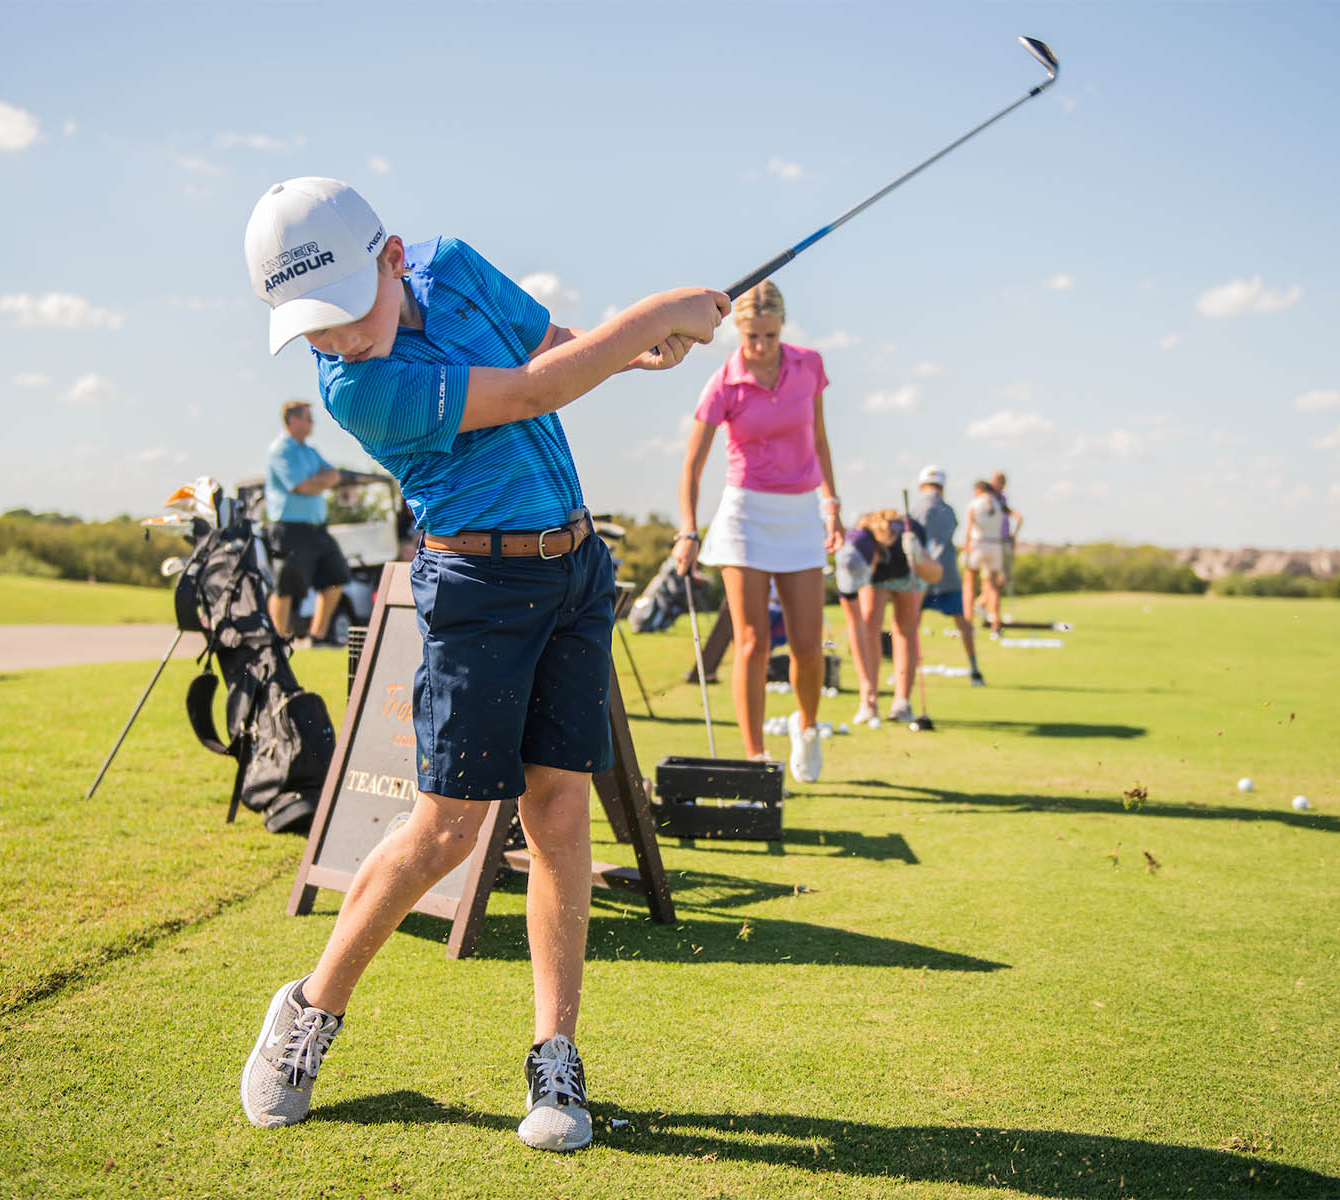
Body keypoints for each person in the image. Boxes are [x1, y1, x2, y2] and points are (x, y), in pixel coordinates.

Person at [235, 176, 728, 1153]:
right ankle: (309, 1009)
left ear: (393, 258)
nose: (336, 341)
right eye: (313, 327)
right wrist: (654, 314)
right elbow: (536, 392)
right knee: (447, 830)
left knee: (560, 815)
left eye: (344, 312)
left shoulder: (453, 266)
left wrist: (641, 350)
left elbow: (553, 351)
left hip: (577, 571)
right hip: (478, 589)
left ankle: (556, 1056)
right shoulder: (359, 389)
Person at [673, 281, 841, 783]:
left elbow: (820, 438)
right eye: (752, 336)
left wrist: (832, 504)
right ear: (739, 331)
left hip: (801, 513)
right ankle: (755, 758)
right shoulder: (724, 382)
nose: (761, 345)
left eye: (770, 335)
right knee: (752, 642)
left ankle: (806, 727)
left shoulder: (809, 366)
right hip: (746, 514)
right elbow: (692, 467)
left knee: (807, 644)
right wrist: (688, 530)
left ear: (782, 327)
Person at [833, 507, 940, 725]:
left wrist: (918, 557)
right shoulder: (851, 555)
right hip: (878, 573)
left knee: (904, 630)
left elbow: (936, 574)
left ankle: (902, 702)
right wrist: (866, 686)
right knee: (869, 627)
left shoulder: (909, 534)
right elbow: (855, 625)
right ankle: (868, 701)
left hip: (907, 566)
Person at [264, 399, 357, 646]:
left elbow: (333, 475)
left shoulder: (310, 451)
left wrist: (318, 482)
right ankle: (277, 642)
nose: (312, 422)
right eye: (308, 418)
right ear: (293, 420)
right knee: (285, 588)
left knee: (336, 579)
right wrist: (319, 482)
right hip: (289, 529)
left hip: (318, 530)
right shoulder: (280, 450)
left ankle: (317, 637)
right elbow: (302, 486)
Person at [906, 466, 983, 685]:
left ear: (922, 485)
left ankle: (904, 672)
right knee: (962, 622)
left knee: (910, 625)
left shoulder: (916, 510)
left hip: (923, 571)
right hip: (948, 570)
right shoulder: (949, 510)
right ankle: (975, 671)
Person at [965, 479, 1011, 638]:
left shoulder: (974, 504)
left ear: (978, 490)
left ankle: (968, 626)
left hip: (978, 544)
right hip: (995, 546)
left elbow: (969, 527)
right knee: (993, 587)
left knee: (969, 585)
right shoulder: (999, 505)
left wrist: (966, 546)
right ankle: (995, 628)